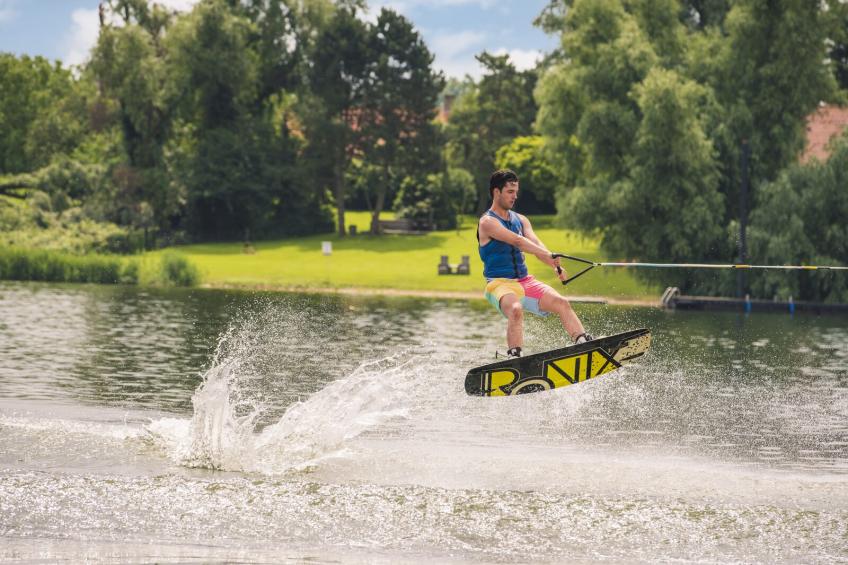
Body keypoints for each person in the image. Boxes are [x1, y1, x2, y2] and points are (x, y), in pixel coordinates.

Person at [477, 169, 593, 358]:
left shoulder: (521, 220)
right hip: (499, 284)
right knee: (515, 310)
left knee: (562, 303)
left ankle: (584, 344)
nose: (515, 196)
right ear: (496, 192)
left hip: (525, 282)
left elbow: (535, 244)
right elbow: (518, 242)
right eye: (510, 192)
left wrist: (555, 265)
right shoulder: (487, 222)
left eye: (516, 191)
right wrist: (547, 253)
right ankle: (515, 357)